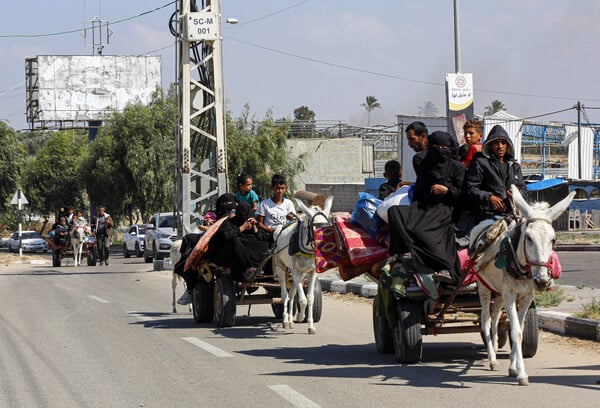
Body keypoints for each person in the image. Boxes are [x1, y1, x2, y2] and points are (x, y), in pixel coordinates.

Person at [466, 124, 526, 224]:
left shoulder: (514, 166)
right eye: (496, 143)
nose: (500, 147)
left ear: (507, 145)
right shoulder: (480, 163)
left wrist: (516, 194)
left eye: (503, 143)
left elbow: (522, 187)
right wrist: (489, 197)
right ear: (490, 145)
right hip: (486, 215)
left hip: (511, 215)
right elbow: (471, 189)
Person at [206, 201, 271, 282]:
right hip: (228, 256)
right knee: (235, 241)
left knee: (265, 244)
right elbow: (226, 236)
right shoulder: (229, 223)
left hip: (249, 251)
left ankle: (263, 270)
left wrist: (255, 228)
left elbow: (263, 237)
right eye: (242, 213)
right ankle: (248, 269)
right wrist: (242, 228)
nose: (244, 216)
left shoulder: (252, 221)